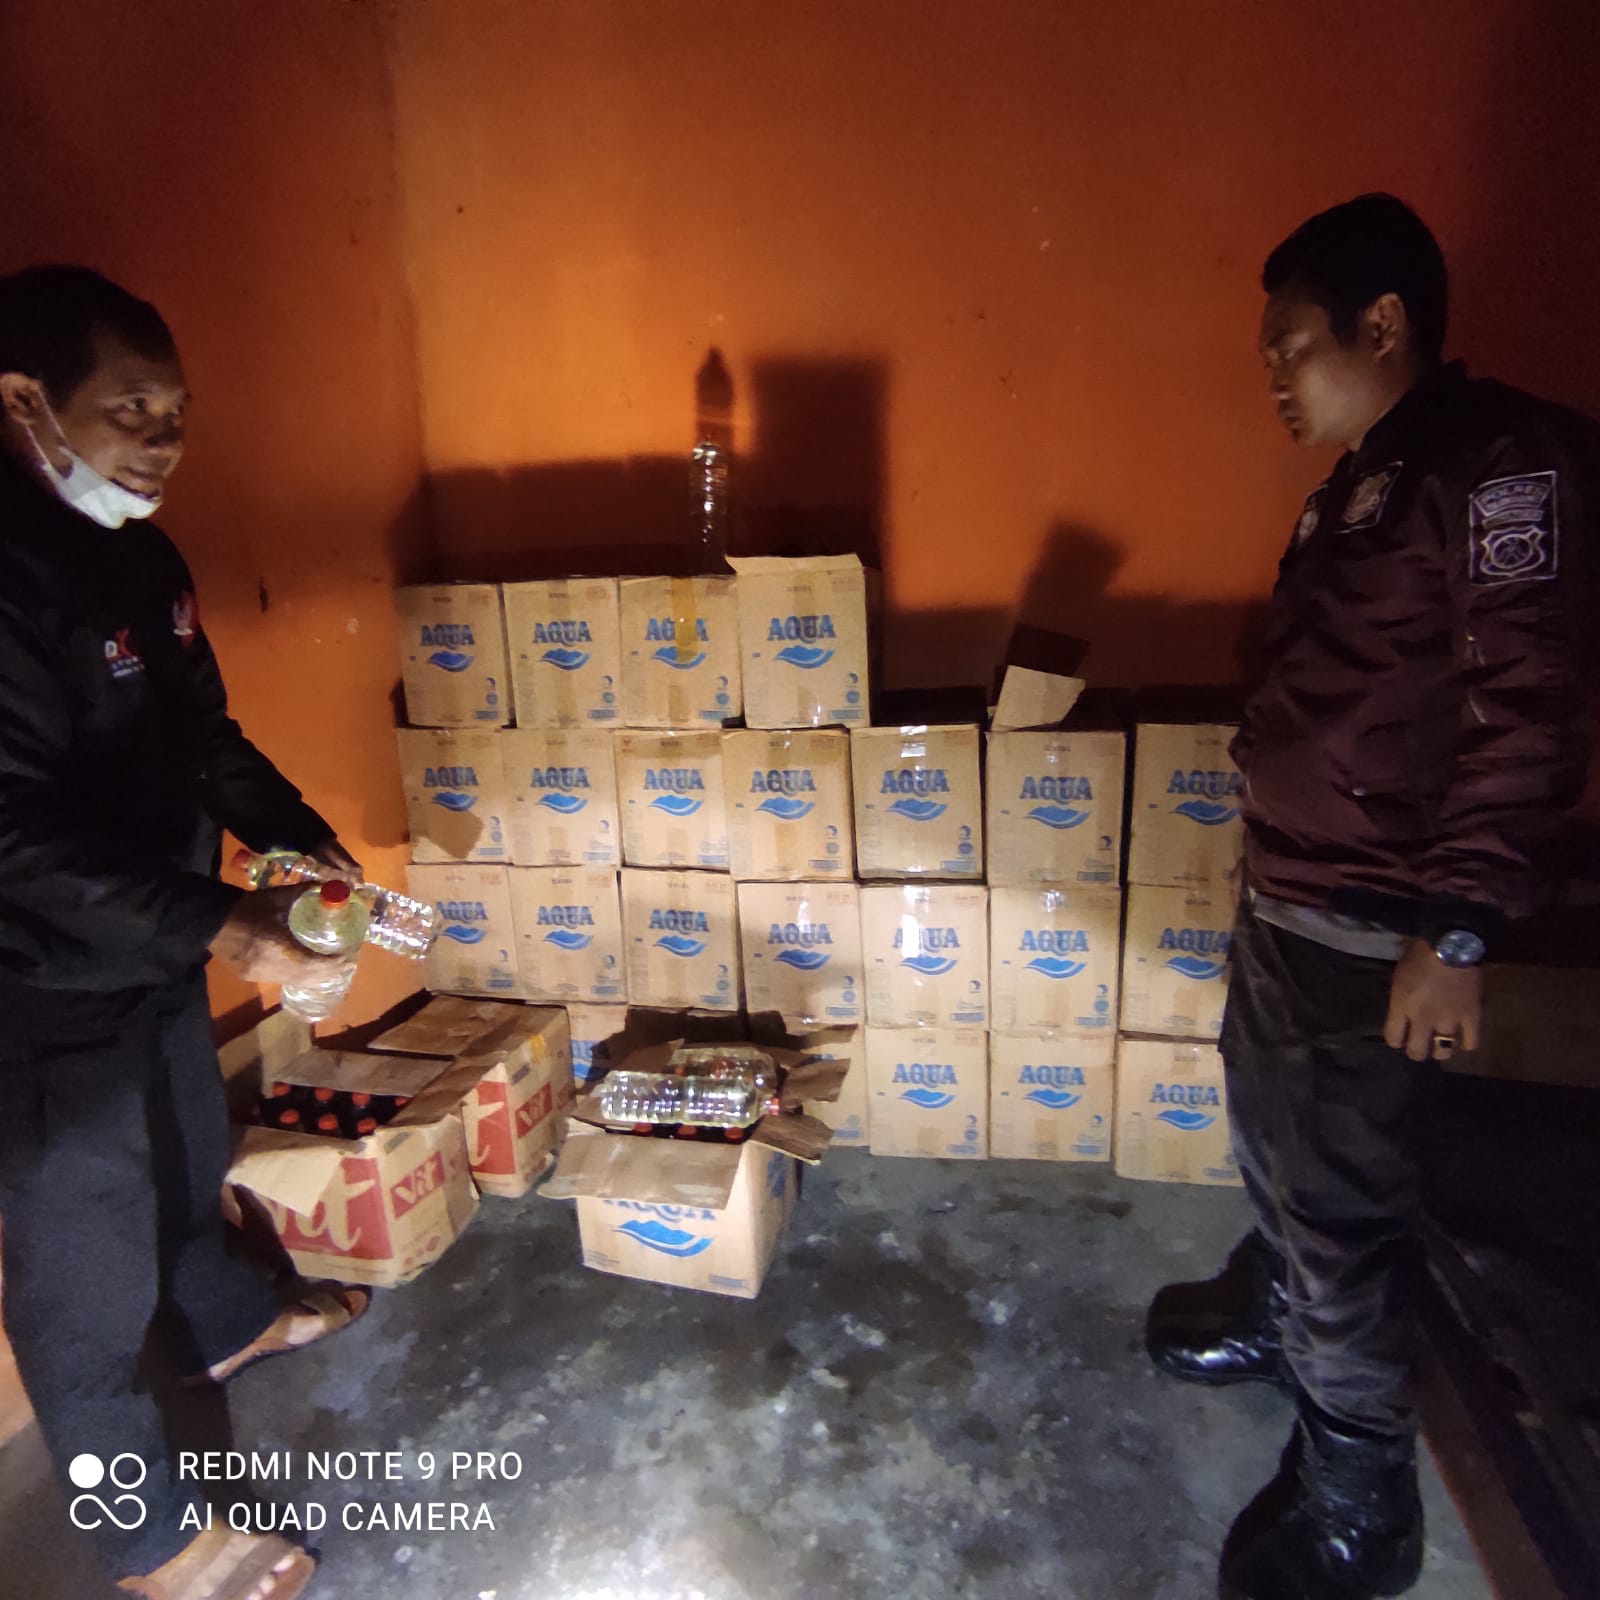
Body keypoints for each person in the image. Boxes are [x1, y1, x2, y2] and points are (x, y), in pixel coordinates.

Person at [1145, 195, 1598, 1600]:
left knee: (1341, 1207)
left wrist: (1457, 928)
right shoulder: (1360, 484)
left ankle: (1360, 1502)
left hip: (1378, 923)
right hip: (1294, 900)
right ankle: (1284, 1319)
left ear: (1382, 323)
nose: (1275, 379)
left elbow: (1526, 709)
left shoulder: (1498, 465)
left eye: (1291, 348)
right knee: (1275, 1151)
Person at [0, 265, 373, 1599]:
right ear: (26, 400)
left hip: (153, 945)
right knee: (81, 1283)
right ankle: (149, 1543)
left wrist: (297, 835)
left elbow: (202, 736)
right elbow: (10, 831)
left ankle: (226, 1320)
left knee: (189, 1156)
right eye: (130, 410)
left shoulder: (143, 560)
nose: (162, 441)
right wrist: (228, 922)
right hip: (39, 988)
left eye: (175, 415)